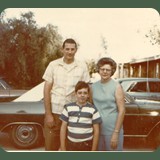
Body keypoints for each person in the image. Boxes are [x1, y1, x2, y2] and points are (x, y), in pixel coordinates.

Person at [42, 38, 90, 151]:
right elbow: (46, 90)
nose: (69, 52)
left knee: (70, 148)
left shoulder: (82, 66)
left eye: (72, 49)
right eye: (67, 49)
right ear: (62, 49)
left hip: (73, 114)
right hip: (55, 113)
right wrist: (48, 114)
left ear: (76, 50)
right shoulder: (53, 65)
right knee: (50, 148)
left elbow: (87, 89)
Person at [91, 57, 125, 151]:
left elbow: (121, 110)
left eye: (108, 70)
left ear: (112, 71)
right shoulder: (93, 87)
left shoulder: (116, 86)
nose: (105, 72)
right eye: (102, 69)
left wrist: (116, 132)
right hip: (97, 129)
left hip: (112, 129)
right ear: (99, 70)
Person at [60, 81, 102, 151]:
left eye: (85, 93)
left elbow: (96, 131)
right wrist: (63, 148)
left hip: (87, 145)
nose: (82, 95)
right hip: (71, 145)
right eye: (79, 93)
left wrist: (93, 150)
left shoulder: (93, 109)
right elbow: (63, 128)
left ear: (88, 95)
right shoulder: (68, 108)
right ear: (75, 94)